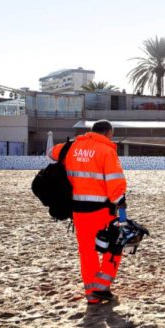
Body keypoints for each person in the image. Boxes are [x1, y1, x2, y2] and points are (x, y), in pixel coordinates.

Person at [49, 120, 127, 304]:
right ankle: (102, 286)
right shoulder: (106, 151)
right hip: (101, 210)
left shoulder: (72, 147)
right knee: (115, 244)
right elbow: (114, 183)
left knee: (87, 251)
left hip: (77, 210)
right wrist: (121, 204)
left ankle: (92, 294)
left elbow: (50, 153)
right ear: (108, 133)